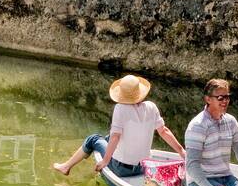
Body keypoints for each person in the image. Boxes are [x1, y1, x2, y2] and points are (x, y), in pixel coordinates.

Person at [52, 74, 184, 179]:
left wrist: (105, 161)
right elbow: (164, 131)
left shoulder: (120, 108)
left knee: (93, 139)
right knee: (109, 137)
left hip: (122, 169)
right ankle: (74, 161)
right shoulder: (151, 106)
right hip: (144, 168)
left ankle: (66, 167)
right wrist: (181, 151)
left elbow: (116, 137)